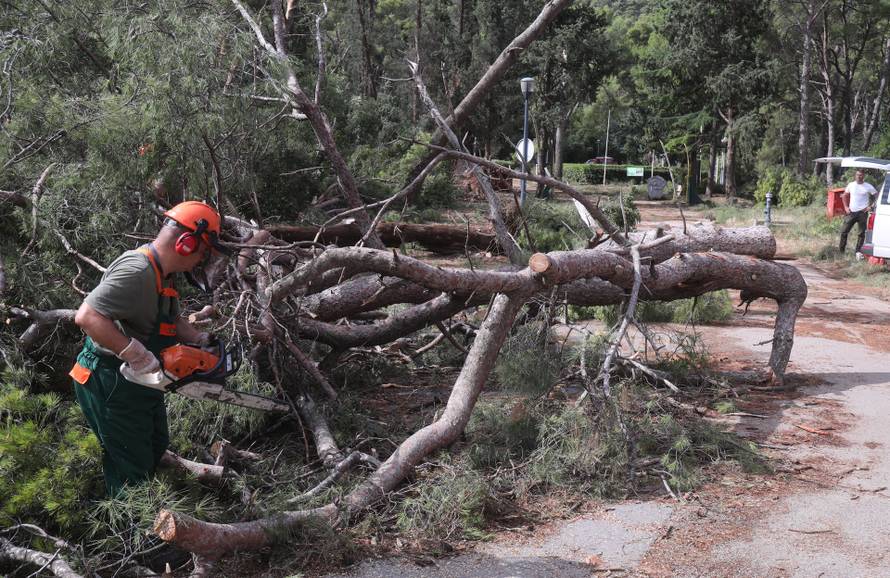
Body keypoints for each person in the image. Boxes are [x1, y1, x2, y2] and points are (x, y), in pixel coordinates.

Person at [68, 201, 227, 496]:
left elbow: (171, 320)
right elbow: (87, 317)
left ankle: (150, 506)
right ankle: (133, 533)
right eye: (203, 252)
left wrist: (199, 340)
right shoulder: (137, 270)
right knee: (131, 467)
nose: (201, 261)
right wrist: (135, 353)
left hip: (141, 383)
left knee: (154, 446)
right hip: (110, 381)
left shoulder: (162, 273)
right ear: (186, 243)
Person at [839, 170, 877, 256]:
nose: (859, 176)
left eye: (861, 175)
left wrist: (870, 206)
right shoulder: (851, 185)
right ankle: (841, 252)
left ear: (864, 176)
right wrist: (845, 207)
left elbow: (876, 195)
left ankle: (858, 252)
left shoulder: (868, 186)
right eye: (857, 175)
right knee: (844, 232)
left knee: (861, 233)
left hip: (862, 213)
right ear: (855, 175)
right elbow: (844, 195)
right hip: (851, 212)